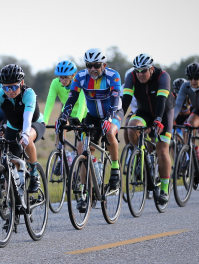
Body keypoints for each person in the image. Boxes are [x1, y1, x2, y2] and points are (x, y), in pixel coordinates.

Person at [61, 48, 123, 210]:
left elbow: (116, 100)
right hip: (93, 116)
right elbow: (71, 99)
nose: (92, 69)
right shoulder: (81, 77)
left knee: (109, 132)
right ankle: (84, 191)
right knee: (83, 151)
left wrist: (109, 118)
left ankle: (115, 169)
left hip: (114, 112)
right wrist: (63, 116)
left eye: (96, 65)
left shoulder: (113, 75)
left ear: (104, 65)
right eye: (89, 66)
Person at [0, 64, 45, 192]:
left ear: (21, 82)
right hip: (13, 127)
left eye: (14, 87)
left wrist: (25, 134)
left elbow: (28, 117)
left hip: (34, 124)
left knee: (28, 139)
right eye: (6, 87)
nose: (10, 91)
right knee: (11, 166)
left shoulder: (28, 94)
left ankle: (34, 173)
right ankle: (12, 202)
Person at [122, 53, 175, 204]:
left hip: (164, 111)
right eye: (137, 70)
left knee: (162, 149)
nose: (139, 74)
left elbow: (161, 100)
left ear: (151, 69)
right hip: (144, 112)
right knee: (131, 127)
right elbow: (125, 101)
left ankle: (164, 189)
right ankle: (141, 155)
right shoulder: (131, 76)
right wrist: (116, 118)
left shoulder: (163, 76)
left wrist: (157, 120)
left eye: (143, 71)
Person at [43, 60, 86, 174]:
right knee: (59, 126)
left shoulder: (79, 83)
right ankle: (63, 155)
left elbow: (82, 103)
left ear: (73, 75)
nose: (63, 80)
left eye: (66, 77)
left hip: (82, 114)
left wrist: (79, 120)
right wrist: (45, 121)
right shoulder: (55, 83)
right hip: (67, 112)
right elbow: (49, 102)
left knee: (81, 146)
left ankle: (78, 162)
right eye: (61, 77)